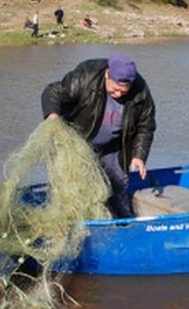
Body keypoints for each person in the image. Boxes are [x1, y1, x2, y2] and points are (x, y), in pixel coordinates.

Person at [41, 53, 156, 218]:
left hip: (112, 147)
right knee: (71, 187)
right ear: (107, 74)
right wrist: (52, 115)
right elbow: (52, 92)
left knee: (118, 185)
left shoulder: (140, 91)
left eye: (124, 92)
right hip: (76, 144)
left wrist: (139, 156)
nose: (118, 94)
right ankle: (72, 225)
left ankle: (121, 224)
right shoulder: (85, 76)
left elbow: (146, 125)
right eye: (115, 89)